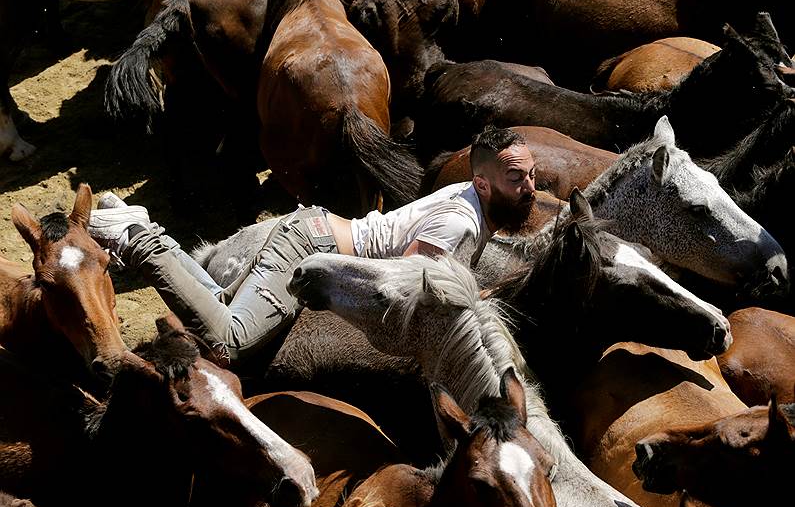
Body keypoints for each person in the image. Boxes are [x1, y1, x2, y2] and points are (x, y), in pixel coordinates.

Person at [88, 127, 536, 367]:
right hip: (310, 246)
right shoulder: (460, 222)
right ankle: (136, 236)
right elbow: (403, 287)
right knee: (233, 340)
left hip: (318, 232)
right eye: (516, 179)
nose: (530, 188)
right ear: (482, 182)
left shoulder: (476, 203)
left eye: (531, 175)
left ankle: (146, 229)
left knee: (223, 304)